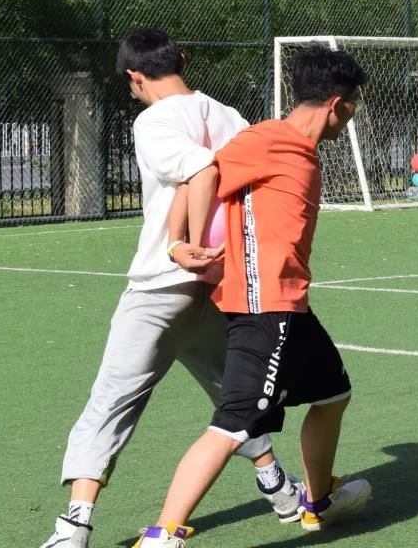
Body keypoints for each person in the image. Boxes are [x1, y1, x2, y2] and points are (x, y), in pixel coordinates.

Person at [39, 29, 303, 548]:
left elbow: (200, 169)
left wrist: (185, 242)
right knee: (232, 394)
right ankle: (280, 490)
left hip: (164, 286)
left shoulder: (154, 120)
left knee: (111, 400)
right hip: (223, 286)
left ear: (135, 77)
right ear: (182, 59)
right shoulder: (229, 116)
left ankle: (74, 526)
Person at [133, 44, 372, 548]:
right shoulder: (266, 141)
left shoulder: (299, 149)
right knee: (234, 424)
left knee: (333, 393)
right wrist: (178, 243)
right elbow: (198, 174)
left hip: (291, 305)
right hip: (264, 309)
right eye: (352, 107)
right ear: (337, 104)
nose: (352, 118)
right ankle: (162, 534)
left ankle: (318, 503)